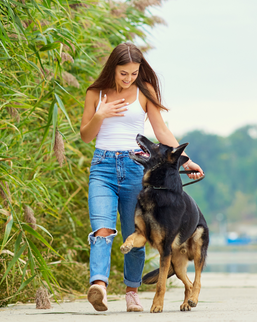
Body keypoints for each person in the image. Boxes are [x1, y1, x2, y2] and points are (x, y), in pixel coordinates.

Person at [80, 42, 204, 312]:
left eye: (134, 73)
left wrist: (187, 160)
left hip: (135, 169)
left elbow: (161, 131)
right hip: (102, 167)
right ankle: (98, 286)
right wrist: (100, 114)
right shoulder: (95, 93)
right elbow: (86, 136)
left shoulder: (144, 93)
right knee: (102, 230)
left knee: (137, 234)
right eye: (123, 73)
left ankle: (132, 292)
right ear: (113, 68)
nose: (128, 78)